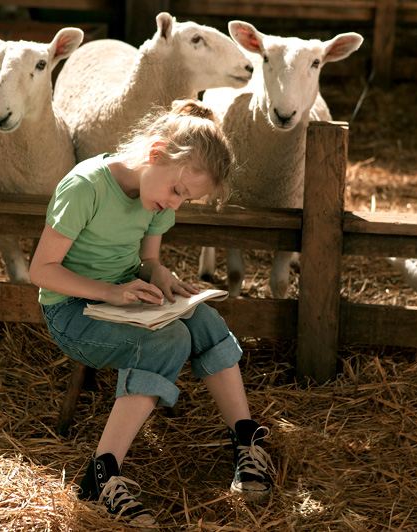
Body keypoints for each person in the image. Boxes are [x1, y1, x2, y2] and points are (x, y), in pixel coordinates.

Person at [30, 99, 273, 526]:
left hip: (127, 296)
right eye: (178, 191)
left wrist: (160, 274)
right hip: (72, 311)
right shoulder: (85, 186)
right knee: (171, 339)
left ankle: (246, 440)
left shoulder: (156, 198)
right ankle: (101, 477)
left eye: (188, 199)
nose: (176, 205)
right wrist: (112, 290)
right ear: (155, 153)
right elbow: (42, 271)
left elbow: (146, 260)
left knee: (206, 321)